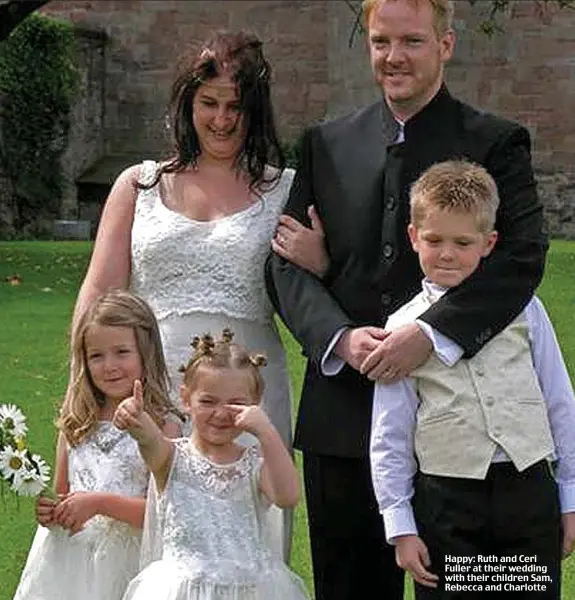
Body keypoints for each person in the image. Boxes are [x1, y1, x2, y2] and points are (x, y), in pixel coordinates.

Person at [265, 0, 548, 598]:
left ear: (445, 45)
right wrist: (341, 336)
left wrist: (427, 336)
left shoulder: (495, 143)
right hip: (344, 416)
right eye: (380, 41)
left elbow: (519, 260)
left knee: (480, 592)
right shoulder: (326, 143)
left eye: (412, 41)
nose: (394, 57)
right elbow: (284, 266)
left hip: (465, 439)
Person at [70, 30, 322, 559]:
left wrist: (321, 261)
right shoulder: (138, 185)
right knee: (152, 541)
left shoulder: (286, 189)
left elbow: (316, 289)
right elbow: (98, 295)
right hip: (153, 387)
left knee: (240, 543)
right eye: (209, 103)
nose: (222, 119)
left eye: (236, 106)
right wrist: (84, 385)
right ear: (188, 103)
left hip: (247, 386)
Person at [370, 159, 575, 599]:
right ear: (412, 238)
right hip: (449, 501)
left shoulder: (525, 309)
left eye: (463, 242)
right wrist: (399, 523)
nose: (447, 253)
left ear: (489, 243)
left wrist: (571, 496)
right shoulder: (402, 328)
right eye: (434, 239)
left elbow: (561, 401)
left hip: (526, 494)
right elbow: (390, 434)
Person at [112, 330, 311, 600]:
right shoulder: (170, 457)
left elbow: (287, 496)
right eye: (207, 401)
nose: (220, 413)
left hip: (252, 591)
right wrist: (136, 418)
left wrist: (267, 432)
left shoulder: (254, 464)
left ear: (253, 405)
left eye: (235, 403)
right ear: (186, 399)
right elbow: (149, 438)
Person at [13, 290, 181, 600]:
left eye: (121, 352)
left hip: (131, 561)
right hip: (69, 562)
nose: (109, 365)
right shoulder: (76, 420)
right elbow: (62, 490)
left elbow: (165, 512)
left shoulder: (162, 424)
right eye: (97, 356)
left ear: (146, 352)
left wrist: (99, 503)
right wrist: (50, 511)